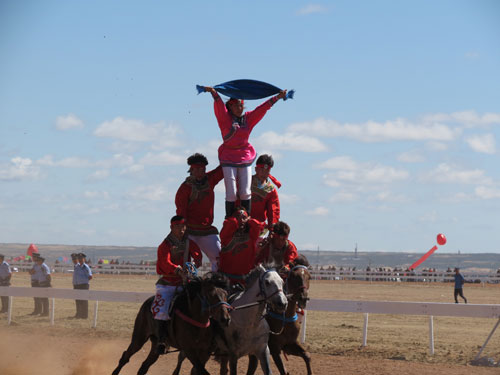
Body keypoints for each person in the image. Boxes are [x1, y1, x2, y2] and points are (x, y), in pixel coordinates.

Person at [203, 86, 287, 218]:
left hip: (244, 157)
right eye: (236, 106)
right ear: (230, 107)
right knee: (231, 192)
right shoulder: (225, 119)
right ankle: (229, 218)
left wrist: (276, 97)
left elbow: (262, 109)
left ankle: (246, 218)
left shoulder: (248, 119)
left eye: (241, 106)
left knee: (246, 192)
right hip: (228, 157)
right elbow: (219, 107)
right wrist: (214, 93)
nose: (239, 108)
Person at [152, 215, 202, 355]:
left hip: (186, 282)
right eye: (178, 227)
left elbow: (198, 257)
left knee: (202, 301)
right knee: (162, 310)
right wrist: (179, 270)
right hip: (168, 283)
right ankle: (162, 340)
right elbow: (165, 262)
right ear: (171, 227)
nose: (181, 229)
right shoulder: (165, 245)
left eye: (183, 227)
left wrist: (191, 267)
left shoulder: (189, 242)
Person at [175, 153, 223, 271]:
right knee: (188, 260)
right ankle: (189, 282)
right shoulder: (185, 188)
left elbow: (222, 170)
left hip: (206, 230)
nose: (200, 172)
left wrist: (229, 153)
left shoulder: (210, 180)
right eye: (197, 169)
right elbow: (181, 211)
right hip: (189, 231)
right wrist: (182, 231)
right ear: (191, 170)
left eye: (203, 169)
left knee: (220, 257)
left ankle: (217, 281)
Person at [219, 207, 265, 285]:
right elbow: (228, 224)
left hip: (245, 281)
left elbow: (258, 225)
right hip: (226, 280)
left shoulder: (251, 236)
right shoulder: (226, 235)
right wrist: (234, 220)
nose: (241, 220)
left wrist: (249, 220)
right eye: (237, 218)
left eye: (244, 218)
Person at [248, 154, 281, 233]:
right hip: (243, 224)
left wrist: (272, 229)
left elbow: (273, 211)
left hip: (260, 227)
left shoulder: (271, 190)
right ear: (256, 169)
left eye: (267, 171)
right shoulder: (246, 182)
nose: (264, 173)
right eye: (262, 169)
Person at [72, 253, 92, 319]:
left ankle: (84, 315)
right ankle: (78, 314)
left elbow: (90, 276)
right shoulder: (76, 266)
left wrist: (83, 280)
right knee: (78, 300)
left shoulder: (85, 267)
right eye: (79, 258)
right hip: (77, 285)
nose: (80, 260)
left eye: (81, 258)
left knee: (84, 300)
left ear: (84, 259)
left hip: (83, 285)